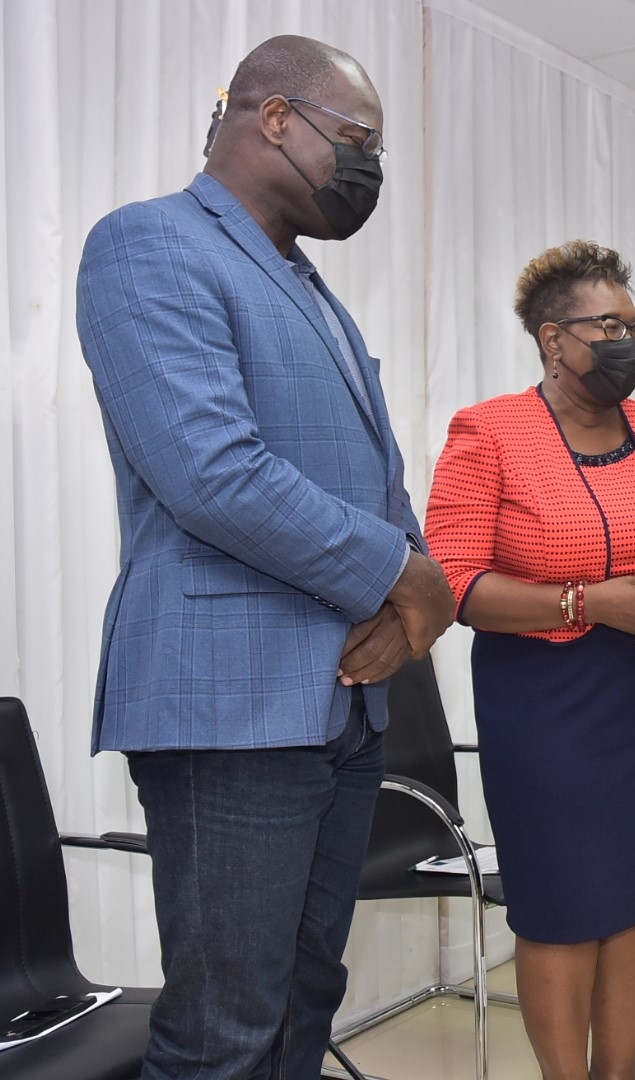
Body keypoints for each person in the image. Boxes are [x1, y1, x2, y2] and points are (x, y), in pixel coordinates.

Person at [74, 35, 455, 1079]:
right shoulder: (148, 244)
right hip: (228, 707)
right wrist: (405, 575)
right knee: (223, 1035)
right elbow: (210, 472)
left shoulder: (310, 288)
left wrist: (413, 594)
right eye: (359, 139)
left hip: (342, 704)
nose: (367, 167)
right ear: (273, 117)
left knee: (301, 1005)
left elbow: (370, 477)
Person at [424, 239, 635, 1080]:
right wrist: (589, 602)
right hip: (545, 704)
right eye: (610, 325)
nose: (629, 341)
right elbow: (452, 580)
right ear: (554, 340)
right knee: (560, 907)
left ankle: (617, 1073)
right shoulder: (490, 431)